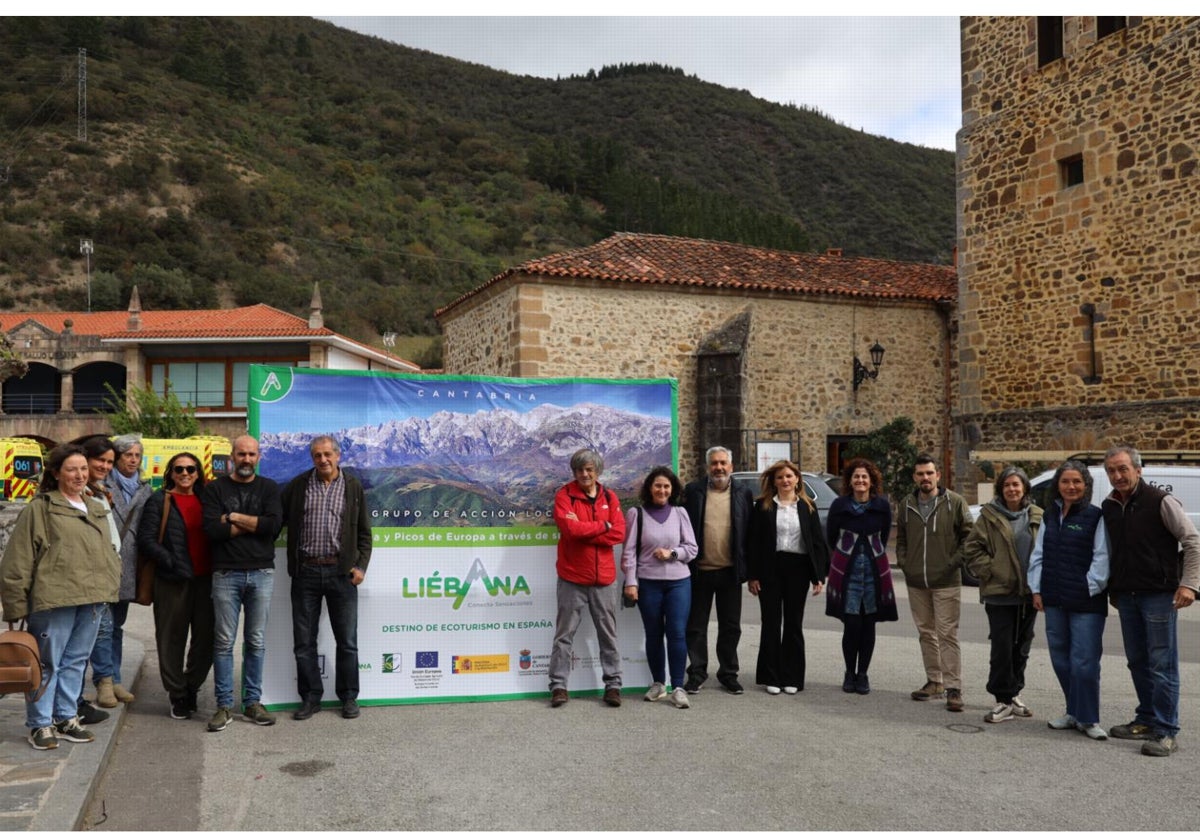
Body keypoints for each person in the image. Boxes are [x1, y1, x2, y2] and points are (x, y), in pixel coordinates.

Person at [0, 444, 120, 750]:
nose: (79, 475)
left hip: (91, 599)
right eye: (71, 469)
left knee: (76, 662)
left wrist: (109, 586)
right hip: (54, 600)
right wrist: (14, 604)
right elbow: (18, 560)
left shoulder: (95, 506)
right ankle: (40, 724)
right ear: (56, 473)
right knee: (48, 664)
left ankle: (66, 717)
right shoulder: (40, 509)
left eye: (83, 469)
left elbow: (106, 552)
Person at [1102, 445, 1200, 757]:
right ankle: (1145, 719)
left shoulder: (1160, 500)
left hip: (1159, 595)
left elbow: (1192, 541)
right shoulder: (1110, 505)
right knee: (1138, 661)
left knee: (1162, 664)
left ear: (1138, 470)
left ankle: (1166, 730)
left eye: (1123, 469)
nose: (1117, 475)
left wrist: (1189, 584)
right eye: (1112, 471)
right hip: (1127, 597)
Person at [283, 435, 372, 721]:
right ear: (312, 458)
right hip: (305, 572)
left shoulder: (353, 487)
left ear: (338, 456)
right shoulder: (298, 486)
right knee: (303, 642)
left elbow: (364, 535)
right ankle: (310, 698)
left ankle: (348, 697)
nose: (323, 460)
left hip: (340, 574)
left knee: (347, 641)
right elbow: (276, 519)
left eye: (327, 455)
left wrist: (360, 567)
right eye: (317, 455)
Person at [201, 435, 283, 732]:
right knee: (223, 642)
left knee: (256, 641)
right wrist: (254, 524)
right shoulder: (214, 489)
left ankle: (252, 702)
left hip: (262, 572)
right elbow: (212, 530)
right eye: (241, 454)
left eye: (251, 454)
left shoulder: (269, 488)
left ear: (258, 457)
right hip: (226, 574)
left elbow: (272, 527)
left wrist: (233, 517)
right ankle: (223, 706)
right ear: (232, 456)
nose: (246, 459)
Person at [1028, 460, 1110, 741]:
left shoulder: (1095, 516)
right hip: (1053, 599)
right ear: (1058, 486)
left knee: (1084, 661)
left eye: (1077, 482)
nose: (1071, 486)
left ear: (1086, 486)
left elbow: (1102, 558)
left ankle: (1088, 719)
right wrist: (1036, 589)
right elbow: (1039, 553)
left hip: (1086, 602)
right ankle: (1073, 711)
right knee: (1061, 659)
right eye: (1065, 482)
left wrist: (1087, 588)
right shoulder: (1051, 515)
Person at [138, 451, 214, 722]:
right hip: (171, 580)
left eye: (191, 469)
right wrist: (171, 562)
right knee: (171, 639)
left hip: (206, 580)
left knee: (206, 640)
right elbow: (146, 540)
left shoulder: (208, 499)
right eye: (179, 469)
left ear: (198, 473)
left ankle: (192, 687)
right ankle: (177, 693)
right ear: (170, 472)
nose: (185, 474)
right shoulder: (159, 501)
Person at [963, 466, 1044, 723]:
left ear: (1024, 489)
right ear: (1001, 488)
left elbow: (1045, 551)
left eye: (1016, 485)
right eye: (1007, 485)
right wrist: (992, 570)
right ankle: (1001, 699)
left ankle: (1013, 693)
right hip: (999, 593)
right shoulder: (988, 516)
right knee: (1002, 648)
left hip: (1028, 594)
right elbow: (972, 549)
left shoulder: (1037, 515)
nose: (1012, 489)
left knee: (1022, 647)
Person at [549, 448, 626, 709]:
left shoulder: (610, 497)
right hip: (572, 577)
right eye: (580, 469)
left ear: (597, 471)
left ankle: (613, 685)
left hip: (603, 579)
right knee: (564, 635)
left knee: (608, 635)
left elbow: (618, 534)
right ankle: (559, 686)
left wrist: (588, 529)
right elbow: (569, 529)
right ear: (574, 472)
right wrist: (602, 526)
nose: (585, 473)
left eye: (590, 469)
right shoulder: (564, 496)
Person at [896, 453, 974, 712]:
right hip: (917, 580)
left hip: (947, 580)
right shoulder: (907, 504)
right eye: (920, 474)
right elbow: (902, 540)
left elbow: (969, 537)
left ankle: (954, 688)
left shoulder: (955, 502)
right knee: (926, 633)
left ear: (938, 475)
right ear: (914, 477)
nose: (925, 478)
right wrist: (906, 564)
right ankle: (934, 681)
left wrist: (952, 563)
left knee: (947, 634)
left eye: (929, 473)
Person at [747, 459, 829, 695]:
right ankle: (771, 676)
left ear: (797, 480)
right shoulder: (762, 506)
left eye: (789, 476)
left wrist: (818, 576)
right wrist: (753, 575)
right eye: (780, 477)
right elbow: (754, 543)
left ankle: (792, 676)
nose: (785, 481)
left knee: (793, 624)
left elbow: (816, 543)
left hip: (798, 569)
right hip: (770, 568)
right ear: (774, 481)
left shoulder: (807, 506)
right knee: (771, 623)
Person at [621, 466, 698, 709]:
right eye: (657, 486)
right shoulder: (637, 514)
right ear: (649, 488)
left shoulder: (680, 513)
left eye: (666, 486)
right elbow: (629, 552)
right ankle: (657, 684)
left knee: (676, 632)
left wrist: (672, 553)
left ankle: (677, 686)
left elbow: (692, 548)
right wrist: (631, 581)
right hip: (648, 584)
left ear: (672, 489)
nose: (662, 490)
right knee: (654, 634)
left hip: (679, 582)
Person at [682, 446, 753, 695]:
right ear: (707, 466)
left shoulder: (743, 493)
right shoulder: (693, 491)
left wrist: (751, 572)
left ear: (731, 466)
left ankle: (728, 674)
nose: (719, 468)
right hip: (699, 571)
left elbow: (750, 535)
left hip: (730, 572)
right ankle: (697, 672)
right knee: (696, 626)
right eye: (714, 463)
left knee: (730, 626)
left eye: (723, 463)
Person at [825, 458, 898, 696]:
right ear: (850, 481)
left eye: (864, 477)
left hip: (875, 573)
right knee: (852, 625)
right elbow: (831, 537)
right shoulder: (839, 506)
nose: (860, 480)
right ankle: (849, 673)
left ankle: (863, 674)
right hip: (847, 573)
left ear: (871, 481)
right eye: (856, 477)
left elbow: (884, 536)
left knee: (869, 625)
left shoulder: (882, 506)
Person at [98, 433, 153, 710]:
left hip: (130, 566)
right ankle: (104, 681)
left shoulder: (145, 488)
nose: (133, 460)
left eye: (137, 455)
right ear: (117, 458)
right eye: (128, 455)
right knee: (103, 628)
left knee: (116, 627)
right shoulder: (100, 484)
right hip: (103, 564)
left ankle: (115, 678)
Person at [79, 436, 122, 714]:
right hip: (84, 575)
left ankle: (106, 681)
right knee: (82, 638)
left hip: (104, 572)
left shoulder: (100, 490)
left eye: (109, 462)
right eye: (101, 460)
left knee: (104, 629)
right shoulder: (78, 491)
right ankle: (83, 695)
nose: (105, 466)